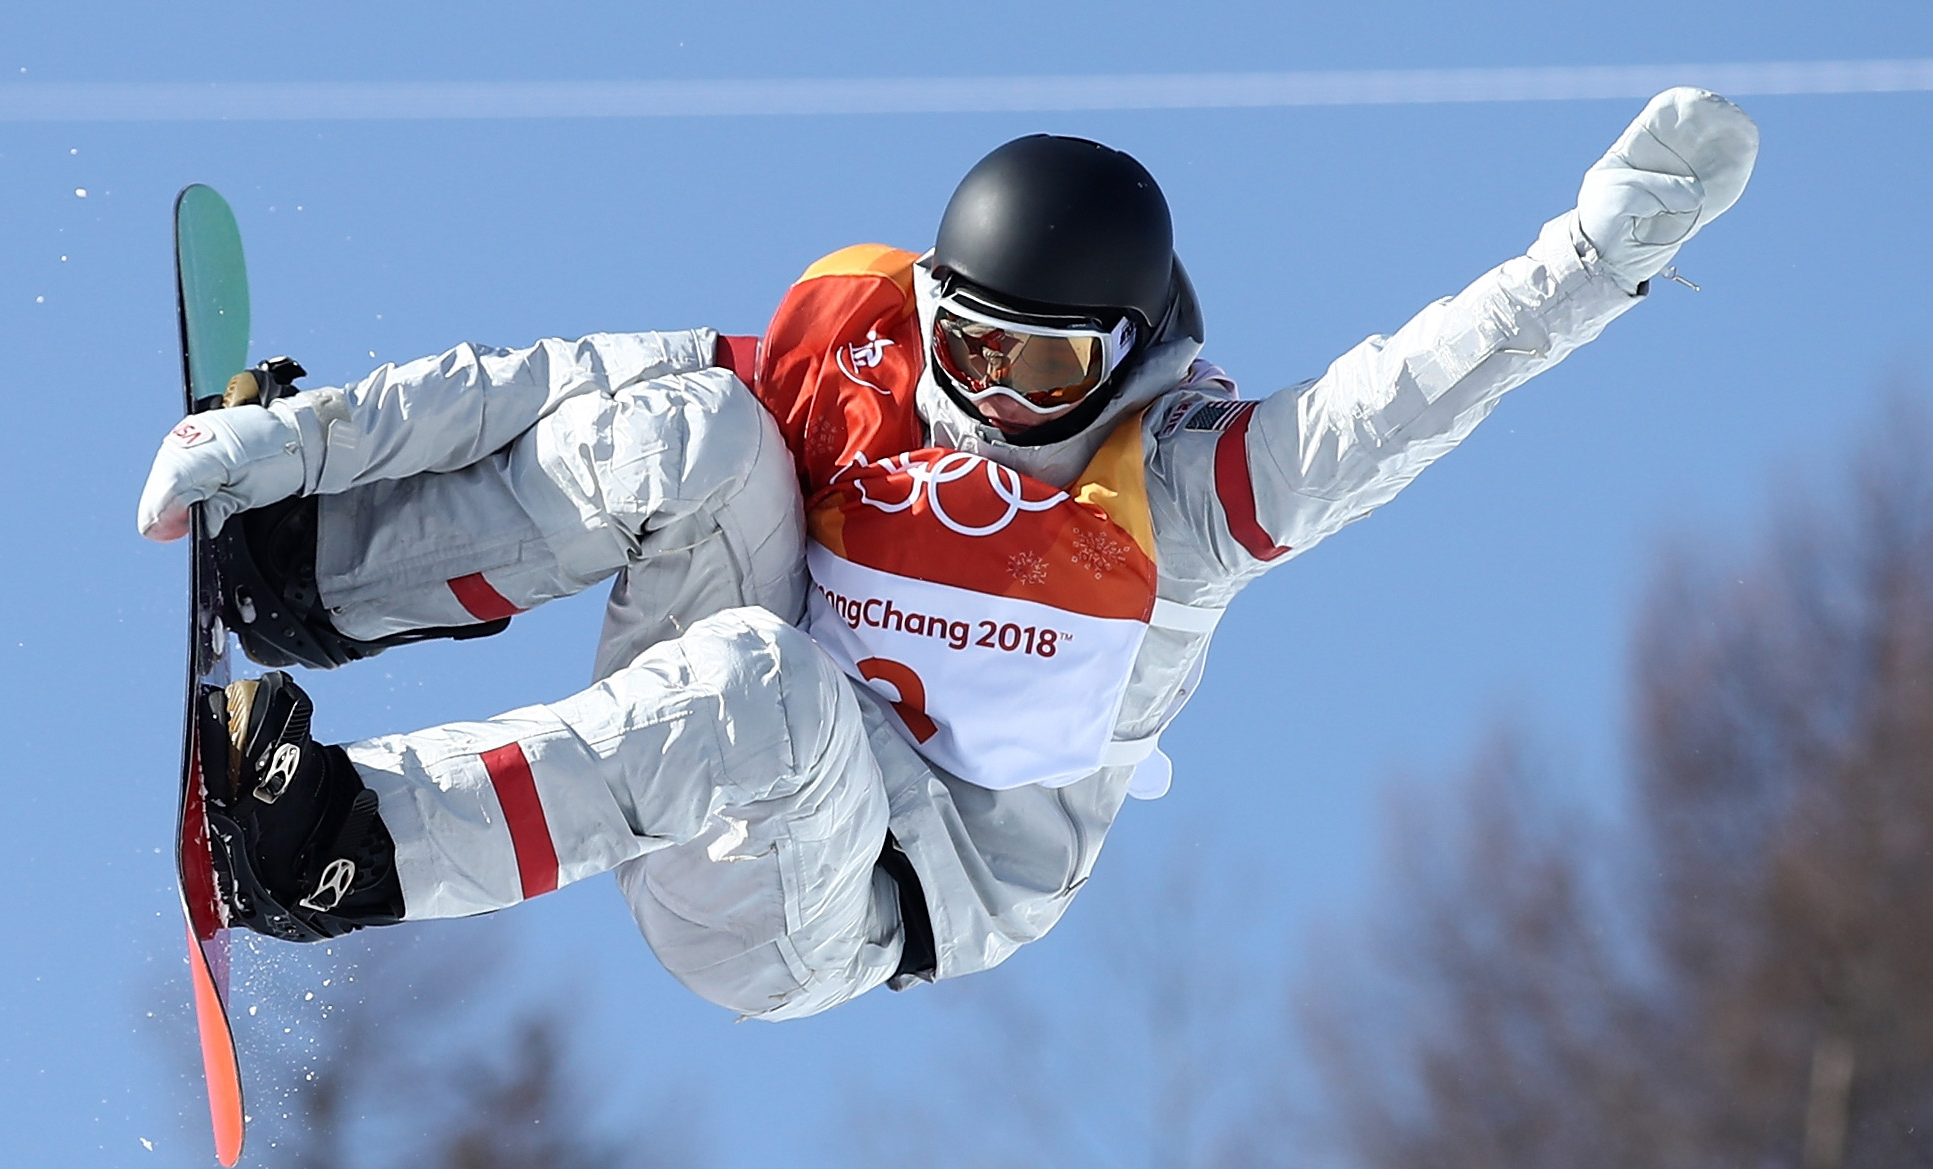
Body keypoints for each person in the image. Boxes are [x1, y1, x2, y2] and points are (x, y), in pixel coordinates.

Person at [138, 88, 1759, 1020]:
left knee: (772, 690)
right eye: (963, 345)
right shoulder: (868, 371)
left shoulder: (1178, 500)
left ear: (1123, 359)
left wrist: (1595, 259)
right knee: (699, 424)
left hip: (825, 899)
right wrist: (310, 444)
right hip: (699, 745)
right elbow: (568, 385)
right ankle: (318, 578)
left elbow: (1411, 393)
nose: (983, 404)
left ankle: (335, 853)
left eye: (1037, 372)